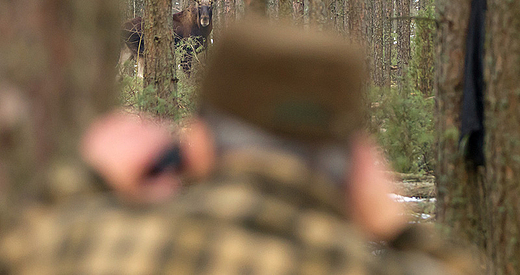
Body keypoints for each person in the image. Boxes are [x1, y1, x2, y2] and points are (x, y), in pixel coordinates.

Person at [0, 17, 477, 274]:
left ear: (198, 141)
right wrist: (399, 231)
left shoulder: (83, 246)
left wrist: (84, 180)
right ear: (357, 164)